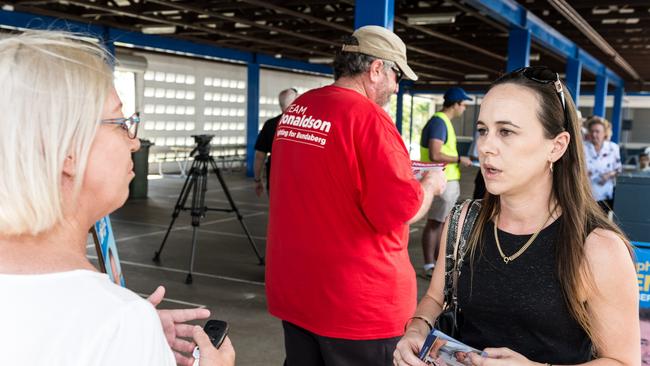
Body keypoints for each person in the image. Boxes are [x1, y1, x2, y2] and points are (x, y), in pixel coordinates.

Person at [0, 31, 235, 366]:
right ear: (69, 150)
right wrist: (130, 336)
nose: (134, 142)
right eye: (121, 123)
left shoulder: (118, 322)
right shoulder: (117, 322)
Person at [394, 66, 639, 365]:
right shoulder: (464, 222)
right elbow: (435, 297)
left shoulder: (598, 247)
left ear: (557, 146)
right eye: (483, 130)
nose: (485, 146)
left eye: (506, 131)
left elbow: (623, 361)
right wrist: (417, 328)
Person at [265, 25, 446, 366]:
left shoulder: (298, 109)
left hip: (298, 291)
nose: (395, 86)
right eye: (396, 76)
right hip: (358, 306)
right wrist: (430, 185)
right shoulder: (369, 119)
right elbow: (399, 211)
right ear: (377, 69)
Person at [419, 87, 473, 278]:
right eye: (464, 105)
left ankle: (436, 263)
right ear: (456, 104)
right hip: (441, 180)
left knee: (441, 224)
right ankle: (429, 265)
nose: (464, 109)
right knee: (435, 223)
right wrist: (459, 159)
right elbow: (435, 154)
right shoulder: (439, 123)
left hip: (445, 180)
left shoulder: (442, 122)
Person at [253, 88, 299, 196]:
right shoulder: (306, 125)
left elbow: (260, 155)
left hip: (276, 181)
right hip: (300, 182)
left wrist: (257, 180)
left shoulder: (270, 125)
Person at [584, 116, 622, 213]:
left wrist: (608, 175)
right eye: (592, 131)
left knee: (601, 225)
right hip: (586, 195)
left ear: (605, 133)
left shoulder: (613, 148)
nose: (594, 134)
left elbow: (618, 169)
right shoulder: (582, 147)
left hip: (604, 195)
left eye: (597, 131)